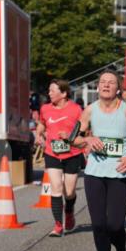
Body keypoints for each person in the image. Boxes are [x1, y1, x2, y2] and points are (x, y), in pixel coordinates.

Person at [75, 71, 126, 251]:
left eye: (110, 82)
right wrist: (88, 139)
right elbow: (73, 138)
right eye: (102, 82)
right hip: (94, 173)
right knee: (98, 224)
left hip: (120, 173)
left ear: (118, 88)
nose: (105, 85)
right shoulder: (89, 110)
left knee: (115, 224)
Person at [35, 79, 85, 236]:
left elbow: (83, 131)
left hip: (72, 154)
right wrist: (38, 135)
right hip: (52, 153)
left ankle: (69, 212)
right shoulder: (45, 109)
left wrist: (70, 137)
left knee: (69, 192)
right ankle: (58, 225)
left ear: (63, 93)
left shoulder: (76, 110)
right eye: (49, 90)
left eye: (52, 90)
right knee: (56, 187)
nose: (49, 93)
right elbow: (42, 124)